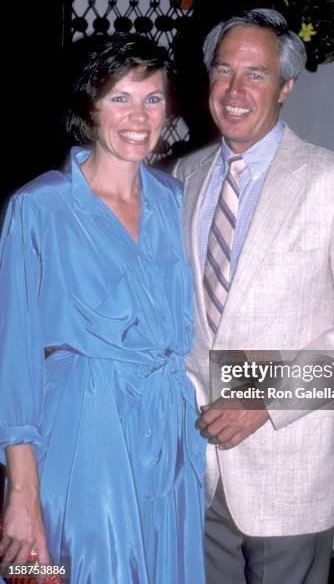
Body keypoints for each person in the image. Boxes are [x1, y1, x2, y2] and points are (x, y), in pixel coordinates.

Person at [174, 9, 334, 583]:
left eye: (255, 74)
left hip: (290, 463)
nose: (234, 90)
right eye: (223, 71)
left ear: (285, 87)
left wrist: (264, 400)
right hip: (193, 465)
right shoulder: (182, 176)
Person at [0, 34, 205, 583]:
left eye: (153, 99)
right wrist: (22, 493)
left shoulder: (175, 200)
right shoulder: (39, 206)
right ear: (90, 106)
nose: (139, 116)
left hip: (170, 433)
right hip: (86, 432)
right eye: (120, 97)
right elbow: (14, 358)